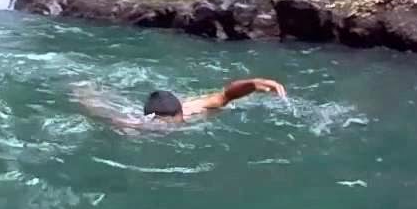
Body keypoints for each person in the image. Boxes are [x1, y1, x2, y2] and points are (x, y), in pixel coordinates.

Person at [74, 77, 286, 131]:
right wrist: (84, 96)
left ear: (180, 113)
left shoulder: (193, 110)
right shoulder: (141, 126)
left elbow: (226, 95)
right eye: (164, 124)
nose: (170, 128)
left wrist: (253, 83)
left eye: (174, 122)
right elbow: (103, 114)